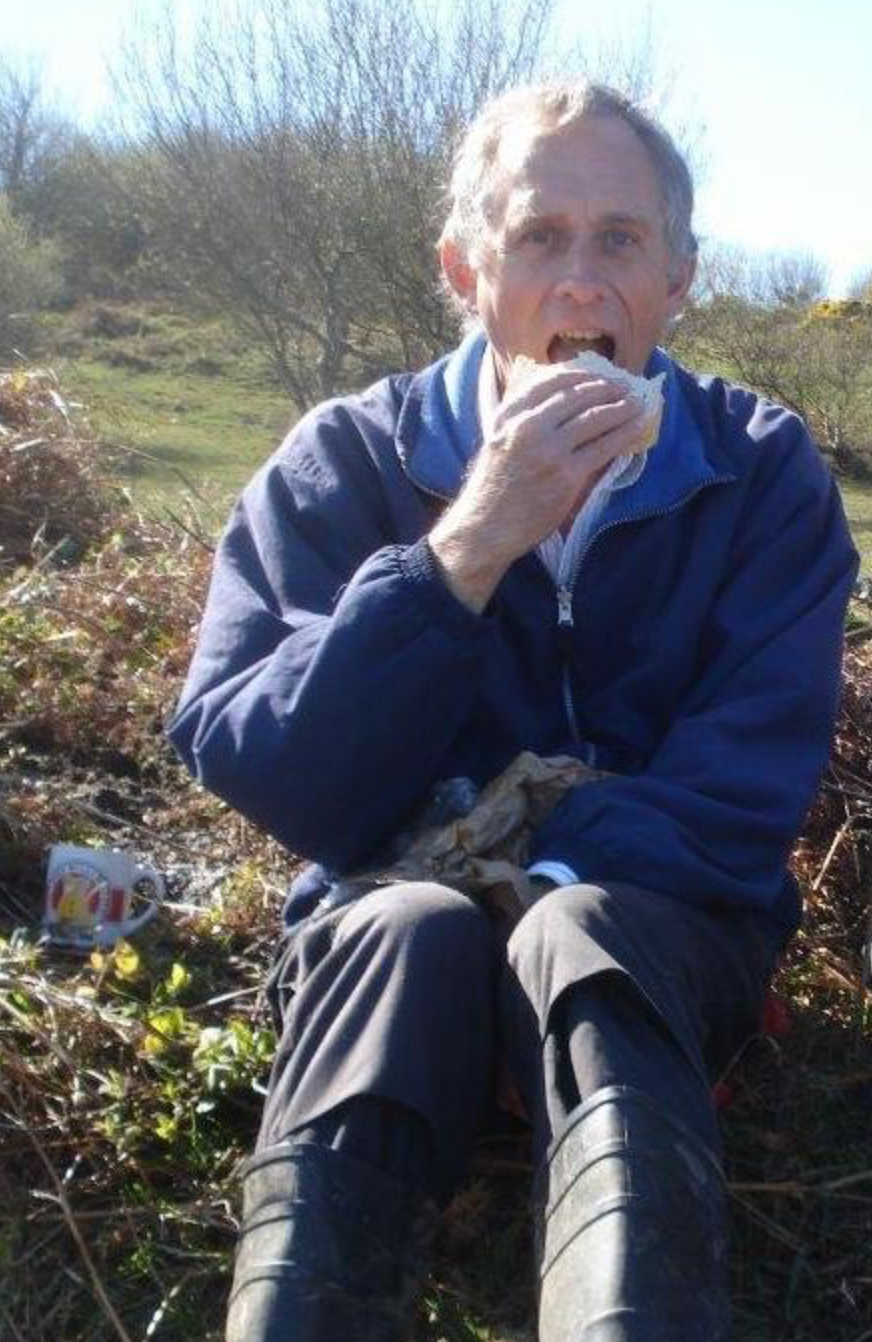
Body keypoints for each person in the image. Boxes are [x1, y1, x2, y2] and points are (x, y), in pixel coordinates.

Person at [170, 81, 858, 1342]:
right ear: (465, 270)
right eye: (540, 236)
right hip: (391, 928)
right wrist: (466, 548)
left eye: (621, 239)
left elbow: (746, 786)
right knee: (404, 931)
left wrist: (535, 881)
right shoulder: (345, 461)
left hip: (655, 937)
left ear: (678, 280)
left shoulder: (760, 471)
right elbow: (263, 759)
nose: (581, 283)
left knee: (580, 931)